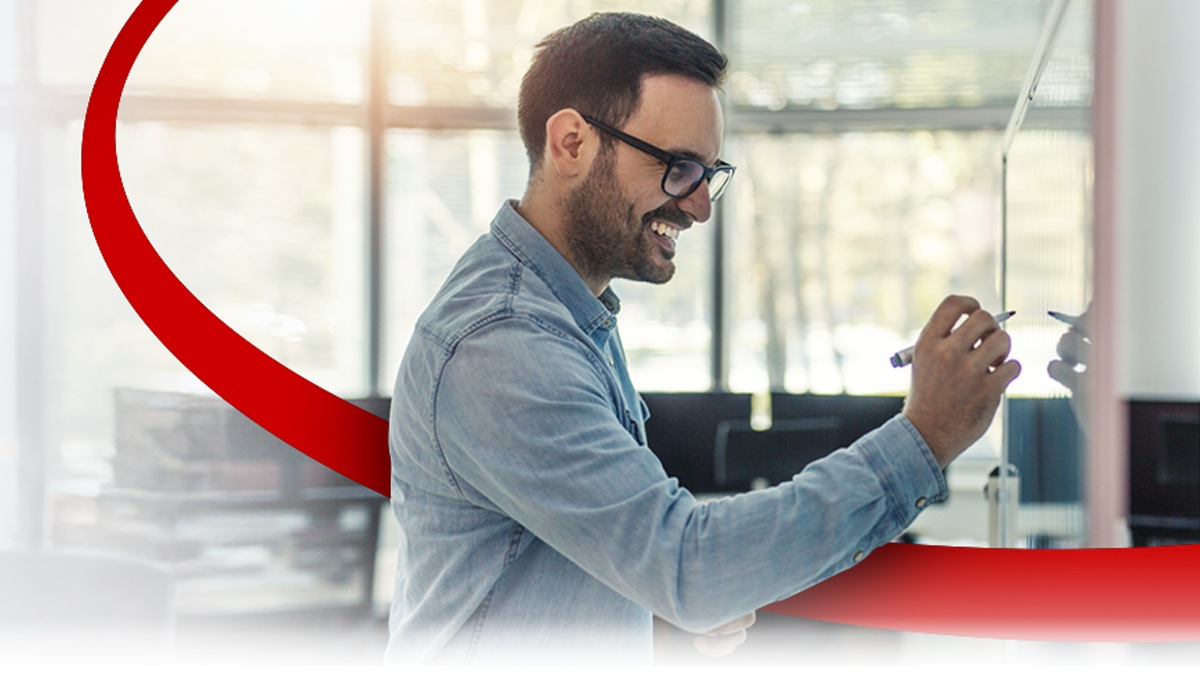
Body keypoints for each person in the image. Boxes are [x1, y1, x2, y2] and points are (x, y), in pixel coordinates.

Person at [385, 12, 1020, 665]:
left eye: (709, 173)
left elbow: (604, 544)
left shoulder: (573, 313)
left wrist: (648, 597)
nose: (699, 204)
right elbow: (687, 561)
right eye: (678, 167)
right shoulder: (505, 341)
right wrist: (925, 436)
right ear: (571, 142)